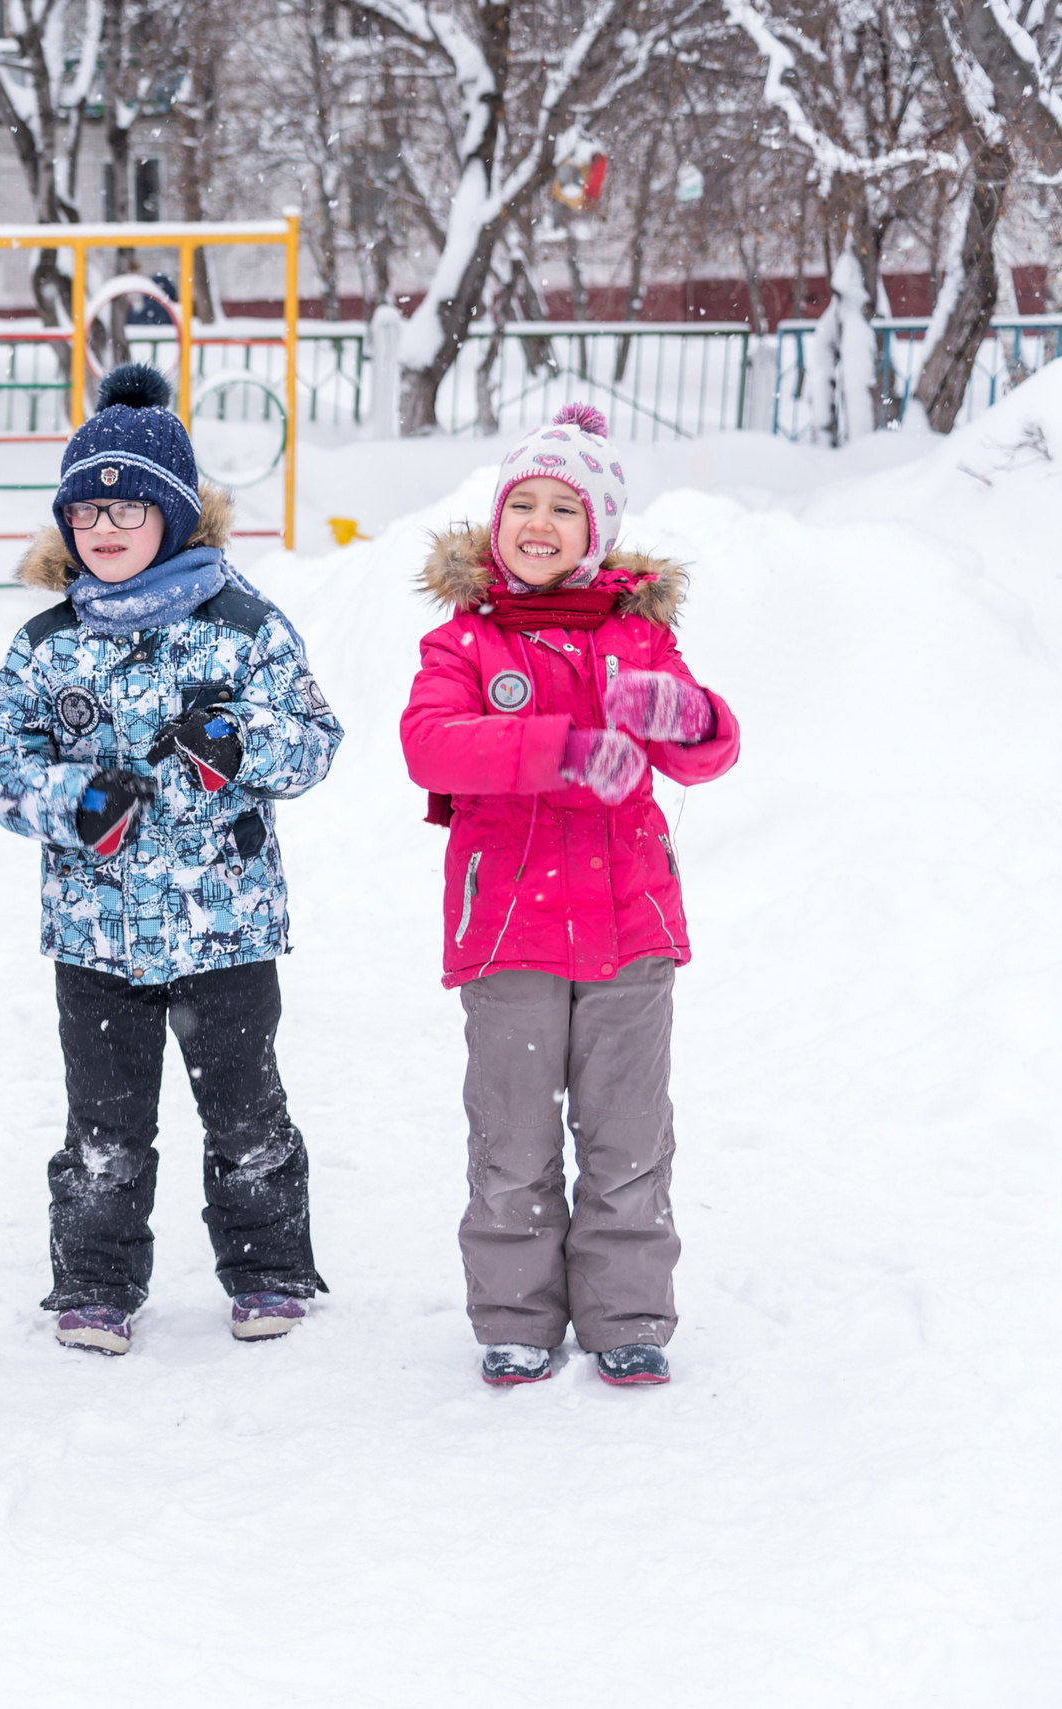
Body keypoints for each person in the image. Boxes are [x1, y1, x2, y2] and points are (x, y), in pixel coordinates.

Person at [0, 364, 341, 1358]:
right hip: (98, 934)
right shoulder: (49, 645)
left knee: (245, 1108)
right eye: (85, 509)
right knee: (104, 1123)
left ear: (172, 515)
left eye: (127, 507)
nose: (104, 527)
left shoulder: (244, 626)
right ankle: (94, 1283)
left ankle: (267, 1269)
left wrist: (239, 743)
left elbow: (313, 738)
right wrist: (71, 802)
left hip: (225, 927)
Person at [400, 402, 741, 1388]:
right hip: (507, 925)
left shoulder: (640, 641)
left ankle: (627, 1310)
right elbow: (429, 741)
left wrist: (687, 714)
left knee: (628, 1134)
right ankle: (513, 1312)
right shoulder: (465, 643)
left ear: (598, 532)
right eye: (523, 504)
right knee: (510, 1138)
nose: (539, 522)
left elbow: (707, 751)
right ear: (496, 520)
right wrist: (555, 748)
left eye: (565, 508)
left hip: (630, 923)